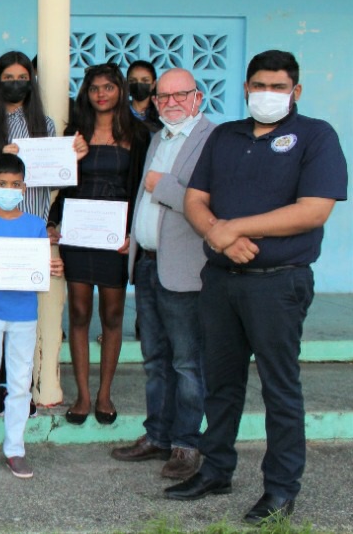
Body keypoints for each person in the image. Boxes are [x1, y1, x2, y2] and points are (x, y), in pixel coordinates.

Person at [166, 50, 347, 525]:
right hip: (222, 281)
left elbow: (314, 210)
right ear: (246, 88)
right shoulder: (226, 136)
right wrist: (214, 233)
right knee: (221, 385)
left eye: (278, 86)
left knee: (279, 388)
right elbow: (194, 198)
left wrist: (235, 229)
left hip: (278, 284)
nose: (268, 94)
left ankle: (281, 488)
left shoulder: (315, 136)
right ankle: (216, 469)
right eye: (259, 86)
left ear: (296, 91)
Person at [0, 52, 82, 412]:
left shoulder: (44, 123)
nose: (16, 81)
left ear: (31, 80)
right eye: (8, 76)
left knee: (25, 314)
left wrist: (69, 158)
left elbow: (55, 180)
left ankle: (21, 388)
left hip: (31, 231)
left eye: (22, 75)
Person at [111, 69, 215, 481]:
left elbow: (212, 201)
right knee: (155, 359)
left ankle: (187, 444)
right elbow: (145, 196)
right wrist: (134, 236)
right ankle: (157, 435)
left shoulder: (212, 140)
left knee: (187, 363)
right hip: (149, 263)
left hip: (186, 270)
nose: (170, 103)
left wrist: (164, 185)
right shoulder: (158, 137)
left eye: (180, 95)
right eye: (162, 97)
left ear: (198, 97)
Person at [49, 63, 151, 425]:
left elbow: (141, 189)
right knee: (77, 313)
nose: (101, 94)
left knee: (111, 315)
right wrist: (54, 222)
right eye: (94, 88)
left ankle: (105, 393)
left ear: (120, 91)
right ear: (86, 94)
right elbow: (63, 184)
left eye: (109, 87)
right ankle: (82, 395)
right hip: (78, 235)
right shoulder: (73, 134)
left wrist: (133, 234)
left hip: (115, 237)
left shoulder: (139, 135)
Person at [0, 153, 64, 480]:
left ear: (24, 187)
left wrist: (53, 268)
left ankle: (16, 449)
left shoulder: (36, 226)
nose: (9, 189)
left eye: (15, 184)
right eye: (2, 184)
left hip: (24, 315)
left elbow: (41, 267)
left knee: (20, 384)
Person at [127, 60, 163, 133]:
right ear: (127, 83)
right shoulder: (119, 113)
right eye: (133, 81)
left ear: (153, 84)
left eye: (145, 81)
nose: (139, 84)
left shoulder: (161, 114)